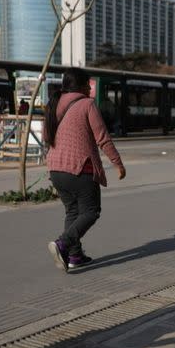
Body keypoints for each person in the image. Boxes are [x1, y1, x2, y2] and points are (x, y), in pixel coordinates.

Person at [44, 68, 126, 273]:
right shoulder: (87, 104)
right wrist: (118, 163)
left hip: (55, 168)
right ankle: (63, 243)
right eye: (87, 83)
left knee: (72, 211)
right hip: (80, 168)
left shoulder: (53, 104)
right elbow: (102, 138)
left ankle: (75, 256)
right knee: (91, 211)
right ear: (80, 85)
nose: (90, 87)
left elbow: (46, 137)